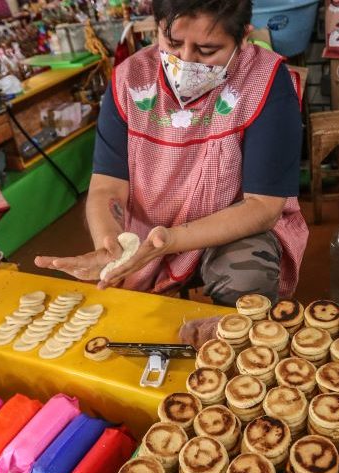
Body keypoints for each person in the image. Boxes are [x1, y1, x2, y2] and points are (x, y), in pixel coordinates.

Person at [35, 0, 308, 305]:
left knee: (245, 277)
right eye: (173, 42)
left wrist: (172, 240)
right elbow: (107, 186)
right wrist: (109, 246)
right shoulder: (131, 79)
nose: (185, 61)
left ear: (243, 37)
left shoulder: (265, 81)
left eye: (206, 51)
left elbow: (262, 206)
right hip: (150, 226)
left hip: (234, 223)